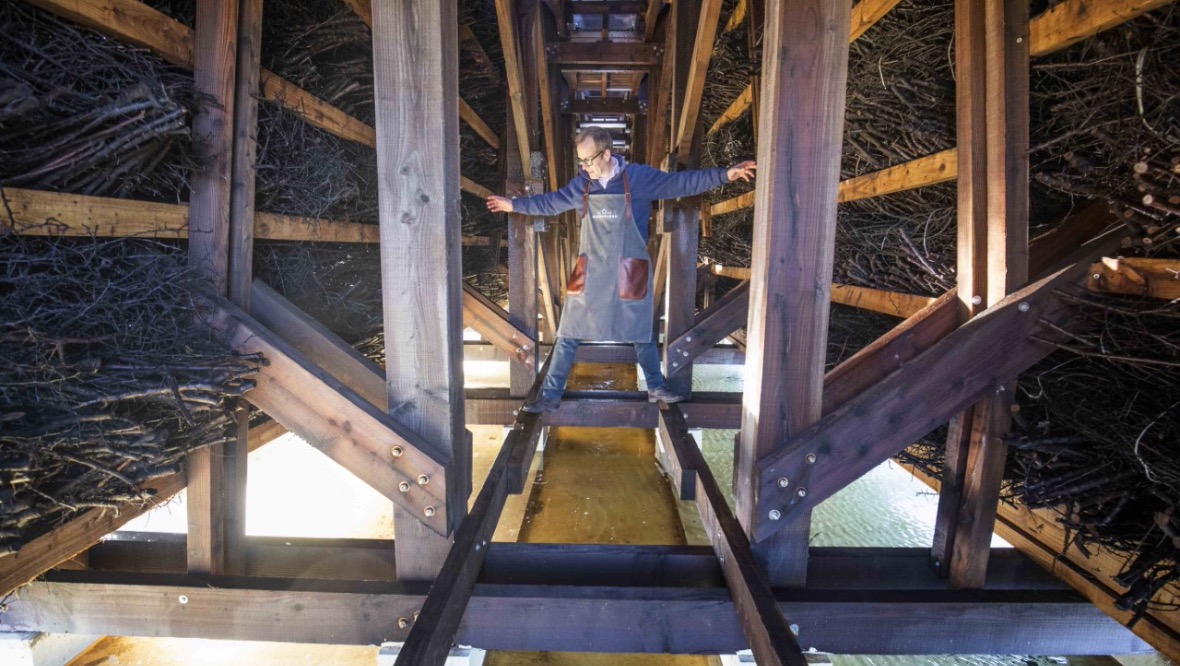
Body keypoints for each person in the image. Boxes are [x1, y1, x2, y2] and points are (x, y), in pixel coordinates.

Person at [487, 126, 755, 413]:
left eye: (589, 160)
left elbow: (680, 183)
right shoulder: (582, 186)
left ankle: (655, 387)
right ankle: (550, 395)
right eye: (581, 161)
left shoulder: (637, 178)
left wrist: (725, 174)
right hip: (590, 270)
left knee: (641, 331)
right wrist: (513, 204)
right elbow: (550, 203)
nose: (584, 167)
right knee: (569, 332)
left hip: (630, 269)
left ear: (607, 153)